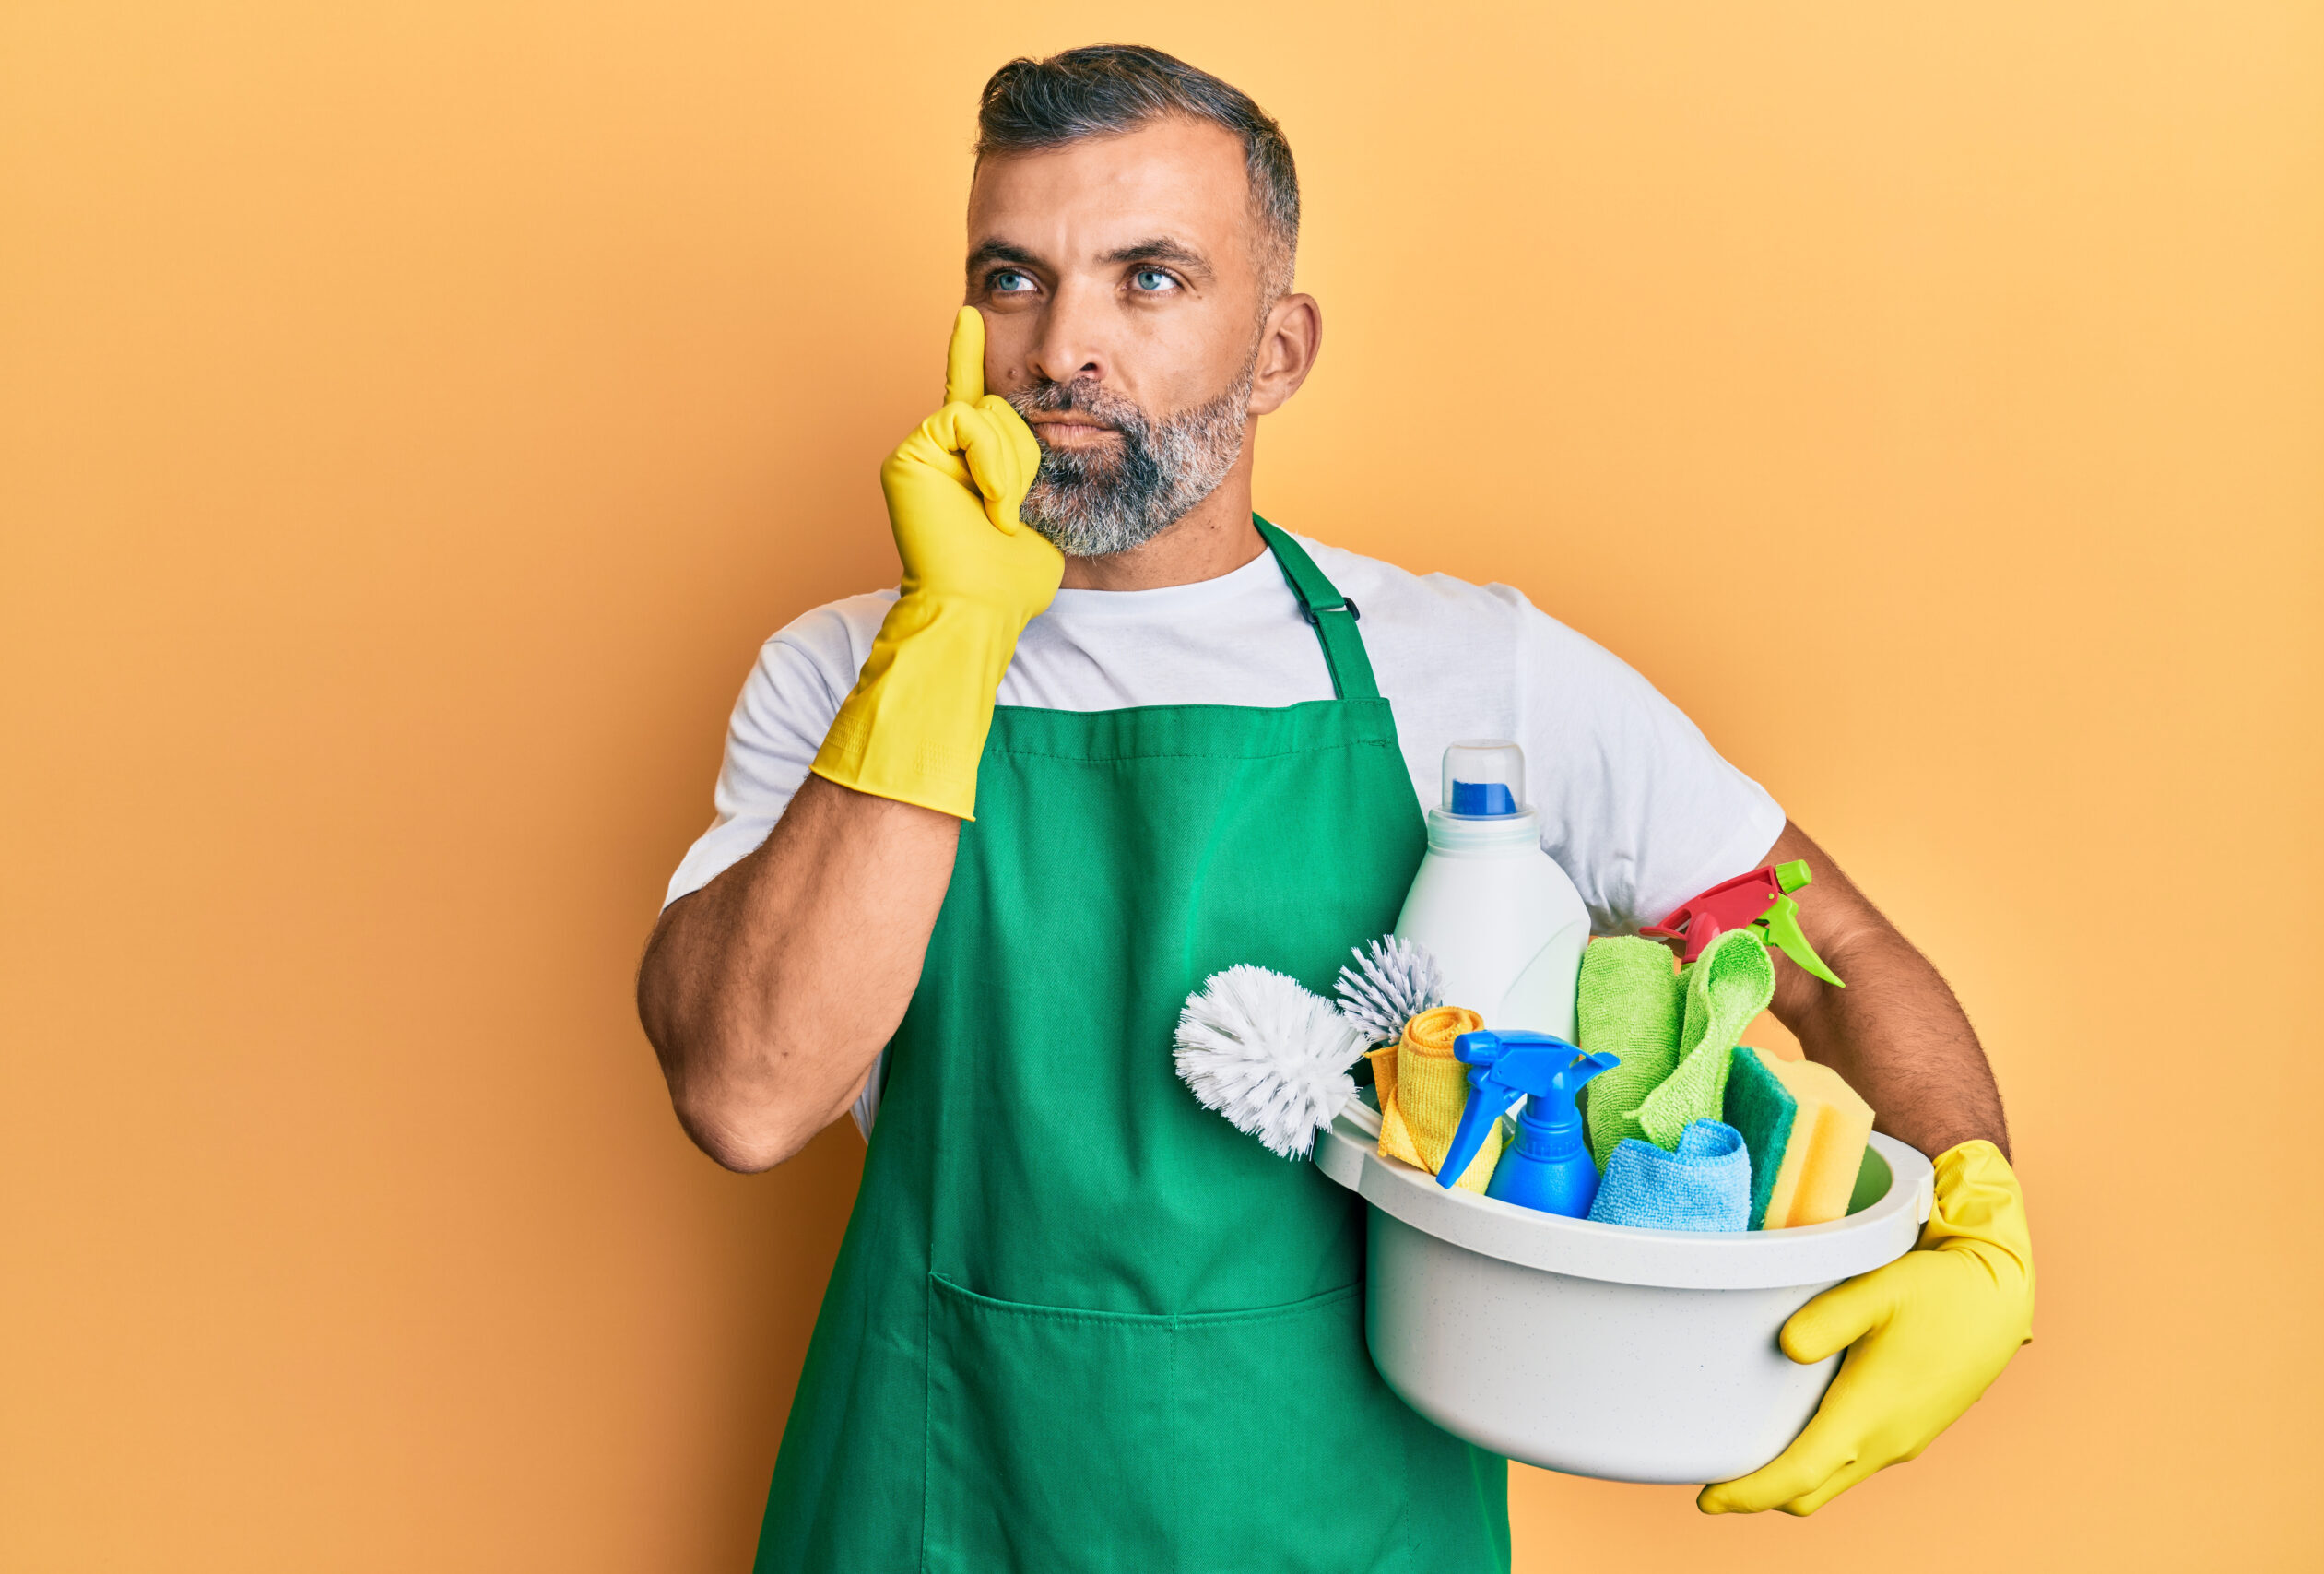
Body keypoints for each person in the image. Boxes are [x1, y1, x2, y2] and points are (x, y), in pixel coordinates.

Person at [637, 44, 2034, 1573]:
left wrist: (1975, 1212)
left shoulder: (1473, 672)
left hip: (1344, 1515)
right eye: (1012, 279)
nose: (1063, 349)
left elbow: (1825, 941)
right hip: (936, 1494)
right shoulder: (848, 670)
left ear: (1280, 348)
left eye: (1150, 277)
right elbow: (747, 1096)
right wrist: (948, 636)